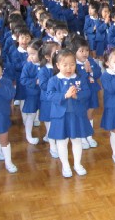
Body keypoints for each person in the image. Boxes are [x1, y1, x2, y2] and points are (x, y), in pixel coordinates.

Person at [46, 49, 92, 178]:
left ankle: (77, 164)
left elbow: (87, 92)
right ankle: (65, 165)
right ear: (58, 65)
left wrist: (77, 96)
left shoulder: (80, 78)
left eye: (72, 64)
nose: (69, 68)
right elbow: (49, 95)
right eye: (65, 65)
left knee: (77, 140)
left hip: (76, 115)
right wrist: (65, 95)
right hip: (61, 117)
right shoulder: (54, 80)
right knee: (62, 141)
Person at [71, 36, 101, 149]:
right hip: (81, 94)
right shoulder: (73, 65)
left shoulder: (90, 61)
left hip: (92, 91)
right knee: (82, 113)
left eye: (87, 50)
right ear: (75, 52)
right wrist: (85, 71)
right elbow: (77, 78)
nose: (85, 53)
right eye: (81, 51)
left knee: (90, 113)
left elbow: (98, 73)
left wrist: (91, 70)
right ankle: (82, 136)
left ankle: (89, 135)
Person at [20, 39, 42, 145]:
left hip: (43, 94)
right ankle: (28, 135)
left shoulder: (45, 65)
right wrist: (35, 81)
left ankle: (49, 135)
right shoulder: (28, 65)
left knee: (47, 114)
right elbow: (23, 80)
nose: (30, 57)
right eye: (29, 54)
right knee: (31, 115)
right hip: (32, 94)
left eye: (33, 54)